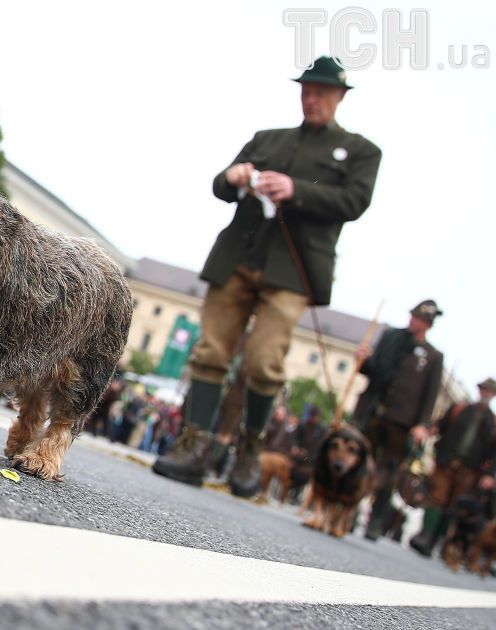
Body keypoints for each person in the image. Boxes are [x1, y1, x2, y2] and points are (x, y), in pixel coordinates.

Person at [151, 56, 383, 498]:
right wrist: (234, 175)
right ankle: (194, 446)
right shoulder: (267, 138)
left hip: (292, 270)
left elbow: (355, 201)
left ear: (339, 96)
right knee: (211, 351)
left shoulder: (360, 151)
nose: (312, 99)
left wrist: (297, 190)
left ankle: (249, 451)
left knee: (263, 361)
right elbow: (221, 187)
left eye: (321, 93)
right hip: (239, 256)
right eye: (307, 91)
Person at [353, 300, 445, 540]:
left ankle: (375, 520)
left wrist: (422, 424)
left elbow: (430, 395)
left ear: (428, 325)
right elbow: (374, 370)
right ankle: (349, 509)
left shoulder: (433, 356)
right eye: (413, 316)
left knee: (390, 472)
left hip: (402, 422)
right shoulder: (391, 337)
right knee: (360, 461)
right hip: (374, 411)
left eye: (420, 319)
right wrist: (363, 360)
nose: (414, 321)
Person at [408, 377, 495, 556]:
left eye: (489, 391)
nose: (485, 393)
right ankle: (425, 536)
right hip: (446, 461)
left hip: (470, 470)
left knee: (455, 506)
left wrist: (489, 474)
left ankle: (437, 541)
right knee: (436, 497)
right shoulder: (461, 409)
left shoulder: (492, 422)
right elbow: (440, 424)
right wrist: (429, 430)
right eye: (483, 389)